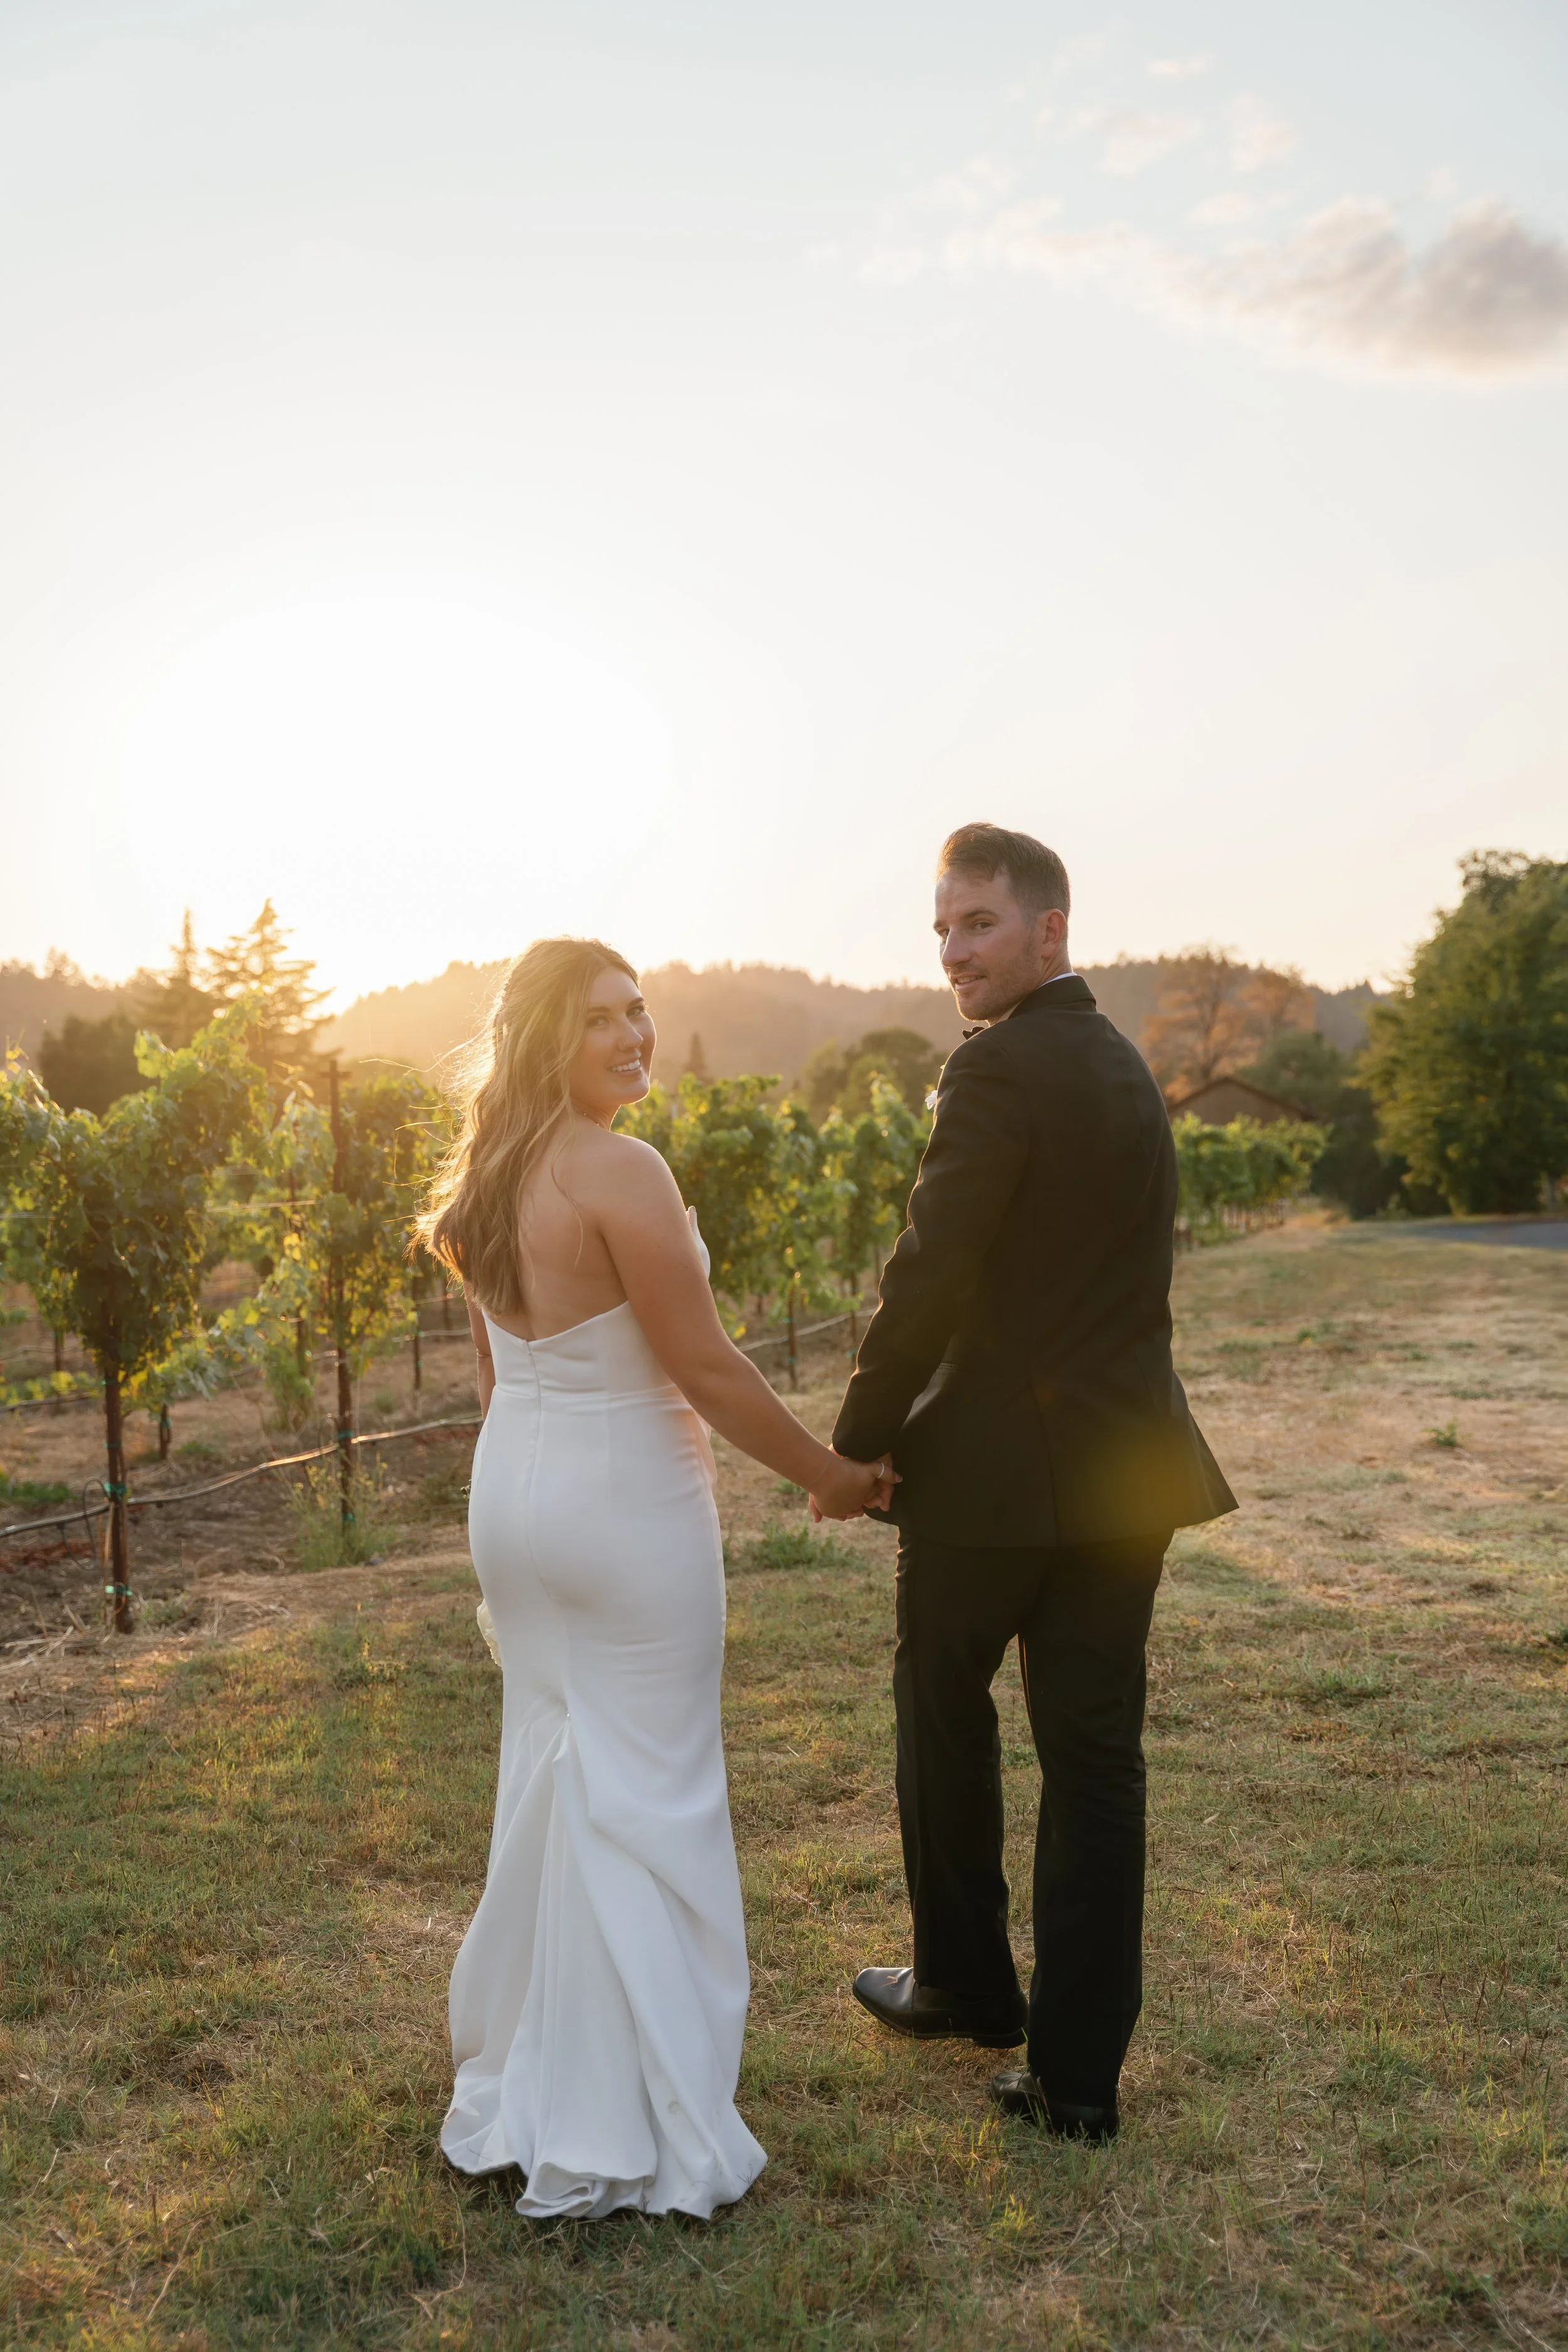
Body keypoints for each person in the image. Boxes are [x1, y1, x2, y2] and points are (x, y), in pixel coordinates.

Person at [416, 938, 891, 2222]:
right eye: (599, 1021)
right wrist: (829, 1473)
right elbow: (709, 1368)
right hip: (623, 1503)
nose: (632, 1037)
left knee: (559, 1772)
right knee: (653, 1781)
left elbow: (492, 1378)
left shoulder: (484, 1177)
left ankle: (531, 2073)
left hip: (513, 1492)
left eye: (639, 1012)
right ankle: (627, 2108)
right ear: (543, 1043)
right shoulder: (619, 1172)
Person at [829, 824, 1236, 2143]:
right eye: (941, 928)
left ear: (1046, 930)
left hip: (996, 1480)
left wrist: (857, 1438)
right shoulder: (1122, 1066)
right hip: (1127, 1477)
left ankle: (961, 1982)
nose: (953, 952)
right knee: (1094, 1759)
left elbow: (929, 1270)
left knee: (939, 1705)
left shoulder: (996, 1071)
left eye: (978, 926)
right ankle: (1075, 2080)